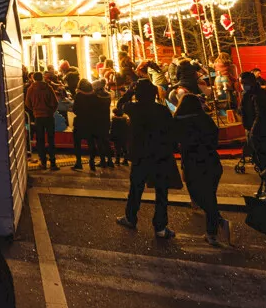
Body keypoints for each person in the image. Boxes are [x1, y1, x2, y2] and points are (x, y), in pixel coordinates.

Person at [116, 80, 178, 238]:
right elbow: (172, 130)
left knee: (136, 188)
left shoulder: (134, 108)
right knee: (161, 191)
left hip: (141, 154)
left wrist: (129, 92)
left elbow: (120, 105)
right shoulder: (162, 110)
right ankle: (160, 226)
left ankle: (131, 217)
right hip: (160, 153)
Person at [175, 95, 229, 246]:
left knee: (199, 197)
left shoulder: (180, 121)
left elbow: (173, 140)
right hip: (212, 161)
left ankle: (216, 223)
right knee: (210, 196)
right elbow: (214, 138)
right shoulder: (205, 119)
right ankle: (213, 230)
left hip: (193, 163)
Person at [240, 72, 266, 202]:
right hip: (257, 133)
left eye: (244, 83)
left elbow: (261, 115)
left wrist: (253, 132)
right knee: (262, 163)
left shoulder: (258, 95)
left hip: (263, 135)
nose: (243, 85)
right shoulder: (250, 95)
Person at [71, 80, 109, 171]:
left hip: (80, 122)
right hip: (92, 123)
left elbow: (75, 109)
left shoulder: (79, 96)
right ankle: (92, 162)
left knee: (77, 143)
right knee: (91, 143)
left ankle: (78, 162)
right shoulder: (94, 96)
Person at [24, 72, 59, 171]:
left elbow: (27, 103)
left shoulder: (31, 89)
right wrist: (50, 111)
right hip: (49, 116)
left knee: (40, 139)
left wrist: (35, 110)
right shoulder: (48, 88)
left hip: (38, 117)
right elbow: (55, 102)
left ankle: (43, 162)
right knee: (51, 139)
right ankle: (53, 163)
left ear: (34, 79)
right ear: (42, 78)